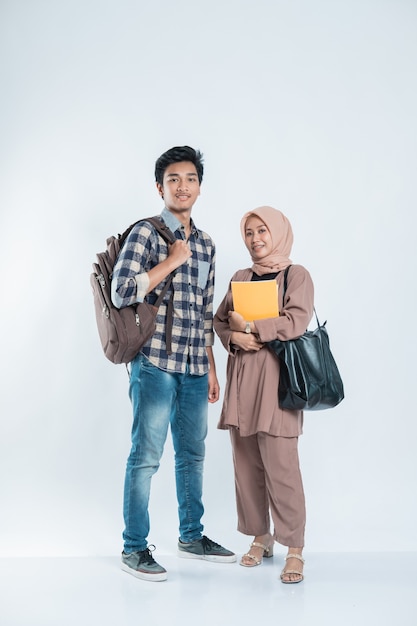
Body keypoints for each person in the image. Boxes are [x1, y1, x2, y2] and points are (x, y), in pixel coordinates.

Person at [111, 146, 236, 582]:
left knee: (193, 456)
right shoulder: (145, 234)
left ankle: (191, 536)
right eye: (174, 179)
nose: (183, 186)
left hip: (194, 368)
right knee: (146, 457)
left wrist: (212, 368)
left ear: (200, 187)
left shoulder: (207, 244)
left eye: (191, 179)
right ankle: (134, 548)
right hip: (154, 364)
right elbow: (121, 290)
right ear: (160, 187)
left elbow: (204, 312)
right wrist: (170, 261)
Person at [213, 206, 314, 584]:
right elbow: (221, 321)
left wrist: (252, 325)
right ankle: (261, 536)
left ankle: (295, 548)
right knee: (247, 467)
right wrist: (234, 336)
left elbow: (296, 320)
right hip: (243, 384)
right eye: (249, 233)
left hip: (278, 387)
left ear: (278, 233)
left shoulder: (295, 275)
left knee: (283, 469)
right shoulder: (241, 277)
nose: (256, 240)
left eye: (262, 232)